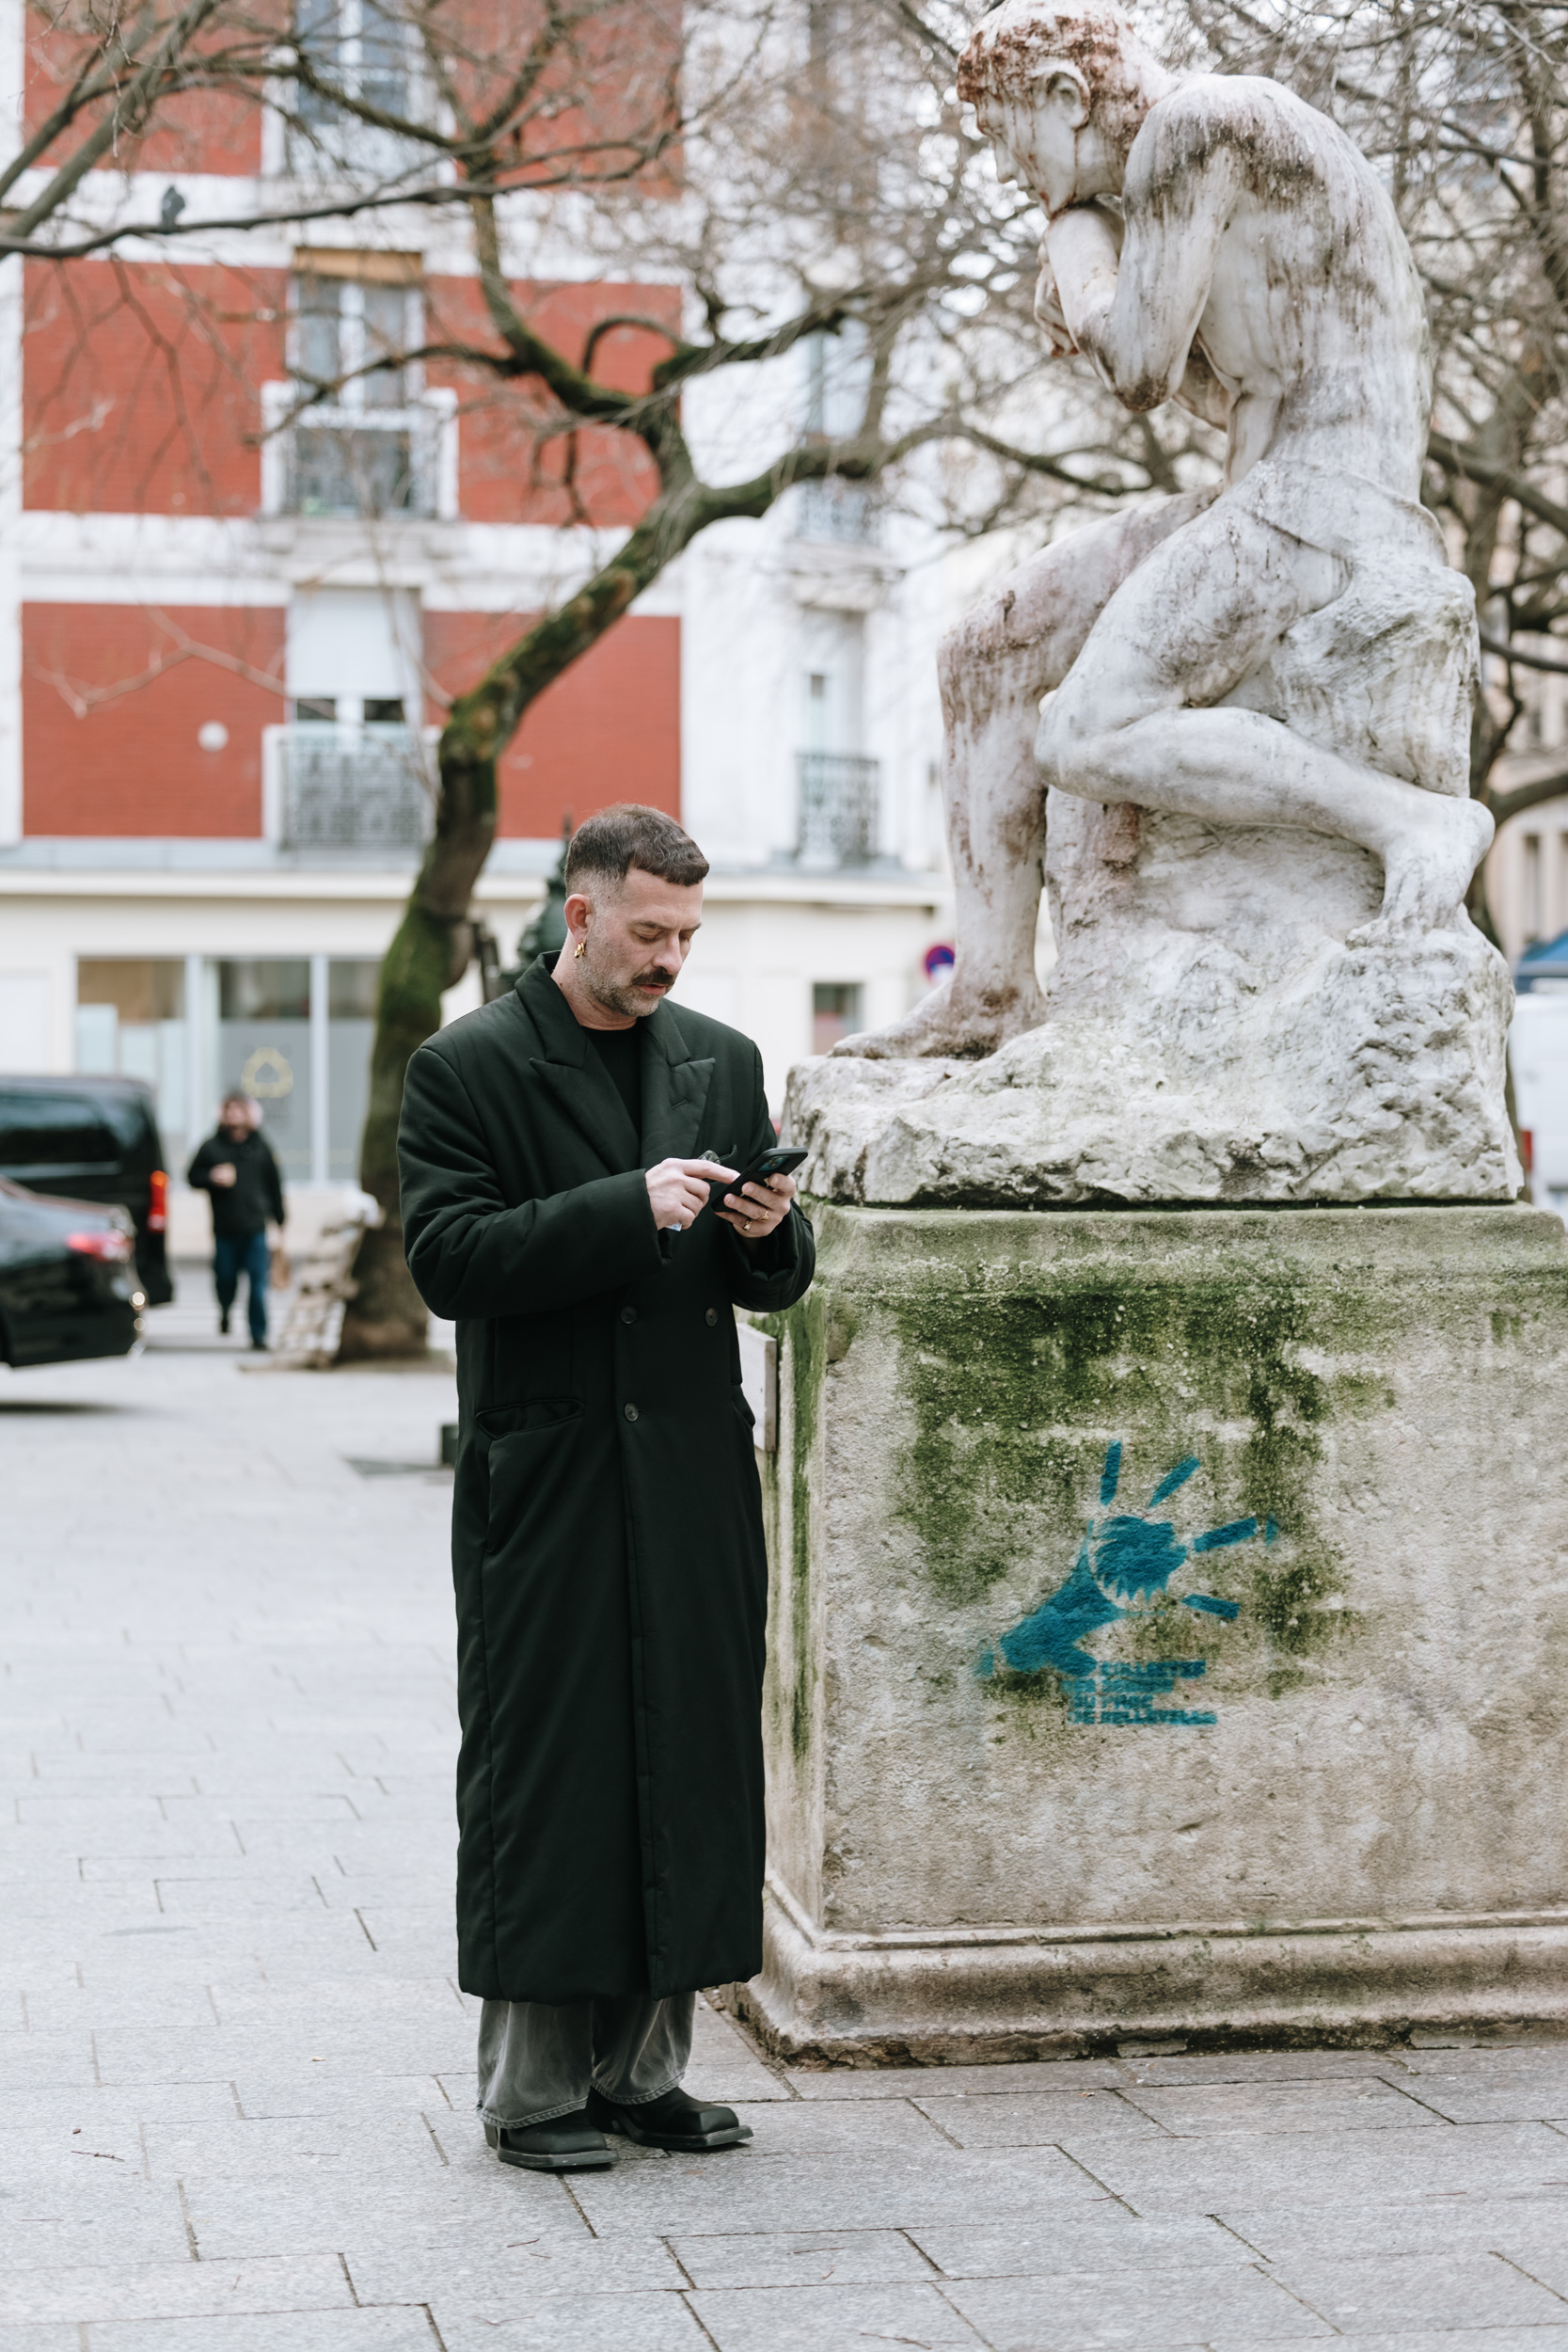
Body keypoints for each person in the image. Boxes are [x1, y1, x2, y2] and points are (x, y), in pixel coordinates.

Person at [844, 0, 1491, 1062]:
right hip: (1265, 489)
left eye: (1005, 138)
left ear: (1063, 95)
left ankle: (1410, 821)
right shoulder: (1200, 153)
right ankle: (992, 992)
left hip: (1331, 498)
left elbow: (1138, 368)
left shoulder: (1196, 126)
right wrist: (1096, 294)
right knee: (982, 653)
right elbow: (1226, 382)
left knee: (1083, 731)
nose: (1009, 173)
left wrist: (1078, 260)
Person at [398, 803, 816, 2175]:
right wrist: (621, 1208)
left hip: (693, 1474)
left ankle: (647, 2076)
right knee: (552, 1769)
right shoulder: (464, 1065)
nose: (670, 959)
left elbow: (774, 1283)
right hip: (550, 1475)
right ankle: (531, 2095)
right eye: (648, 932)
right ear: (578, 916)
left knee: (691, 1760)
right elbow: (449, 1260)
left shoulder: (720, 1059)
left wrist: (770, 1235)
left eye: (687, 934)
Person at [186, 1092, 286, 1350]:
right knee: (225, 1278)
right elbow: (191, 1176)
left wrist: (280, 1219)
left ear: (248, 1114)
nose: (233, 1116)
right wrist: (211, 1177)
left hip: (255, 1227)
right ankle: (225, 1309)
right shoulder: (212, 1147)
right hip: (225, 1228)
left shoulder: (260, 1146)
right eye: (229, 1111)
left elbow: (274, 1184)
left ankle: (258, 1334)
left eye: (238, 1110)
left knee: (258, 1283)